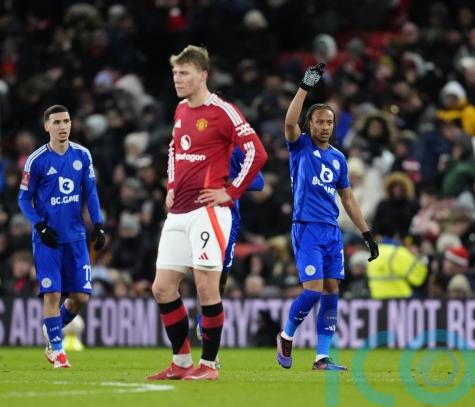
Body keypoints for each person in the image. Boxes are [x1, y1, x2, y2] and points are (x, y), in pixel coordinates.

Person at [147, 45, 267, 381]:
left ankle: (209, 366)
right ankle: (181, 362)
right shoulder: (180, 109)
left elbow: (257, 153)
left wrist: (230, 191)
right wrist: (171, 185)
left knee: (206, 288)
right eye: (175, 73)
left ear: (203, 75)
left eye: (184, 73)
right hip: (178, 211)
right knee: (162, 287)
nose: (177, 79)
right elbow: (174, 149)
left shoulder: (223, 111)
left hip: (208, 211)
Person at [276, 63, 379, 371]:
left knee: (332, 290)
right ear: (310, 124)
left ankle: (322, 357)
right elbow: (289, 122)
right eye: (319, 121)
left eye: (329, 122)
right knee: (313, 290)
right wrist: (304, 87)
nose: (324, 126)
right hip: (306, 227)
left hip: (332, 231)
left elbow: (347, 197)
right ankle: (286, 335)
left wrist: (366, 233)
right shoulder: (300, 147)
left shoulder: (338, 159)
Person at [18, 104, 105, 368]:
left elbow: (90, 192)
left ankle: (52, 329)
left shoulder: (82, 154)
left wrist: (98, 225)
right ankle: (57, 350)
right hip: (48, 240)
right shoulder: (36, 160)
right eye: (56, 122)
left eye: (66, 121)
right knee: (52, 294)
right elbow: (23, 199)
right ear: (47, 126)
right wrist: (40, 226)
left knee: (80, 298)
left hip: (76, 238)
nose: (62, 126)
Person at [195, 146, 265, 368]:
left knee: (219, 282)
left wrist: (226, 184)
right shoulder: (198, 143)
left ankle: (204, 325)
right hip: (198, 215)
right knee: (203, 276)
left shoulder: (237, 148)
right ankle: (206, 343)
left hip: (228, 220)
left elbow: (259, 181)